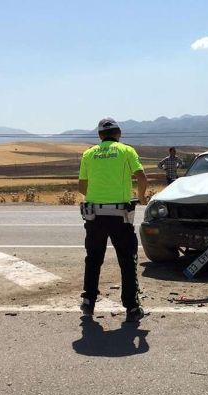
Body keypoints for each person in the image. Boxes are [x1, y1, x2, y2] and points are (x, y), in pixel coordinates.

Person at [78, 117, 149, 322]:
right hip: (120, 217)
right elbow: (142, 177)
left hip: (94, 217)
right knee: (127, 262)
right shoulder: (127, 151)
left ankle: (88, 302)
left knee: (93, 260)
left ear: (100, 136)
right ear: (119, 133)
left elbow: (82, 188)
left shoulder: (89, 154)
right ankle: (132, 308)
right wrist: (142, 197)